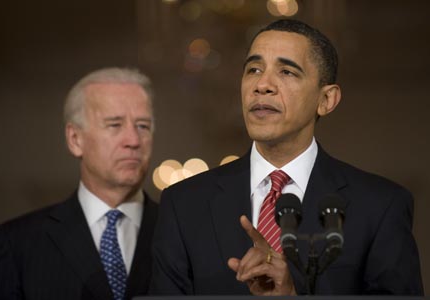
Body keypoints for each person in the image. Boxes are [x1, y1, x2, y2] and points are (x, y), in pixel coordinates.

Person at [149, 19, 423, 295]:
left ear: (326, 100)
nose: (262, 85)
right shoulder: (183, 205)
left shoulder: (380, 206)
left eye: (287, 72)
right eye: (253, 69)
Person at [0, 67, 158, 300]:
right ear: (75, 139)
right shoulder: (17, 244)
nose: (133, 140)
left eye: (142, 126)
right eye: (115, 125)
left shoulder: (185, 235)